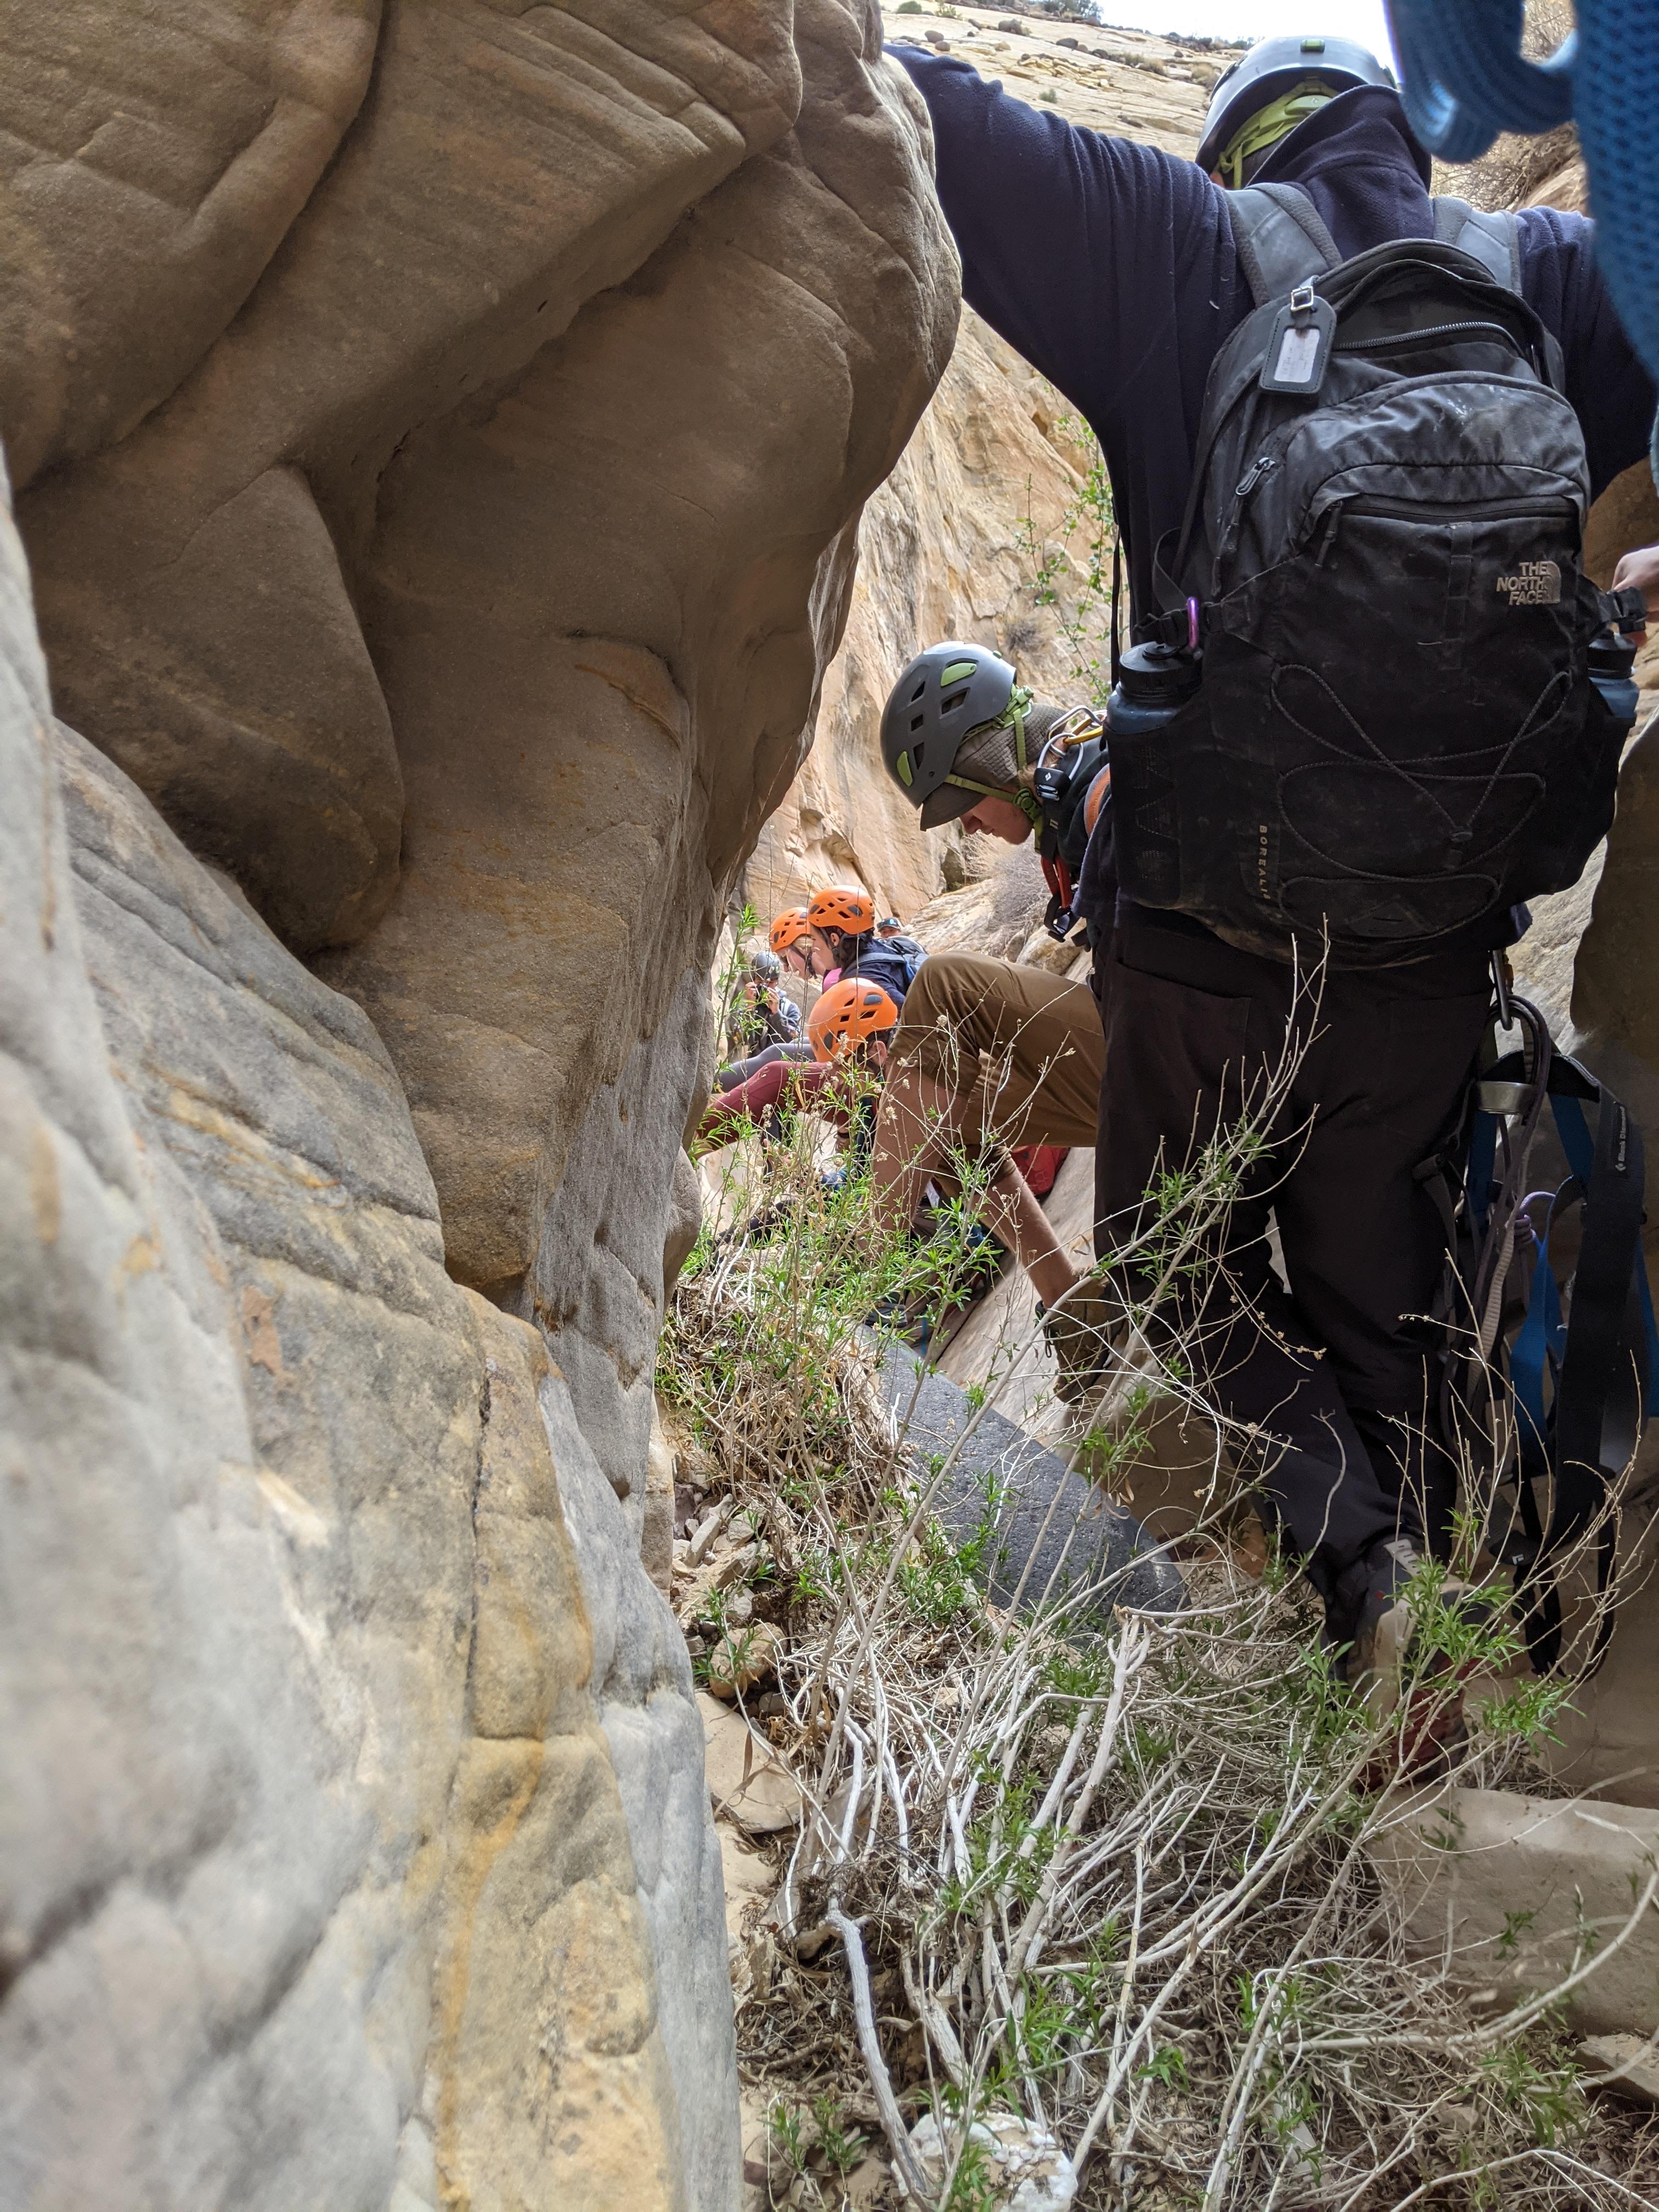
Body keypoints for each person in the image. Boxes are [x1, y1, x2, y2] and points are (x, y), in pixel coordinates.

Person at [887, 29, 1657, 1669]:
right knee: (1391, 1306)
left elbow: (925, 106)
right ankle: (1448, 1633)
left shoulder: (1177, 238)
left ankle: (1367, 1588)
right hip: (1433, 947)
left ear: (1245, 151)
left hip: (1209, 943)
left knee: (1186, 1285)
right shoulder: (1557, 279)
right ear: (1399, 136)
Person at [873, 644, 1115, 1364]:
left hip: (1194, 1055)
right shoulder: (1078, 788)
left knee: (943, 990)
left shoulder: (1105, 784)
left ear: (990, 756)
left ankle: (864, 1274)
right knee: (945, 1119)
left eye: (960, 802)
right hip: (1178, 1047)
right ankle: (1070, 1306)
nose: (967, 828)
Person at [695, 979, 898, 1155]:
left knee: (779, 1075)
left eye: (841, 1066)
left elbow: (860, 1180)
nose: (833, 1075)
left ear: (877, 1053)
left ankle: (693, 1140)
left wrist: (815, 1184)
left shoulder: (903, 1105)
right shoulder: (878, 1087)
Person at [803, 885, 922, 1008]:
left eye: (814, 939)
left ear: (834, 939)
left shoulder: (863, 980)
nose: (813, 946)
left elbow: (914, 1019)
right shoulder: (878, 948)